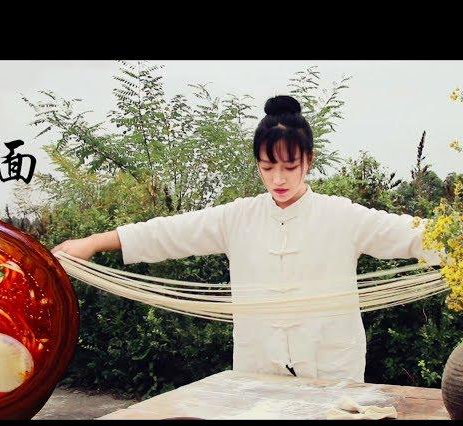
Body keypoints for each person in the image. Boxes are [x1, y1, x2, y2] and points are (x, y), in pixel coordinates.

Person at [52, 95, 440, 383]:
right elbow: (169, 232)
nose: (279, 179)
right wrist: (93, 243)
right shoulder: (238, 217)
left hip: (332, 369)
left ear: (309, 160)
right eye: (268, 167)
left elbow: (409, 235)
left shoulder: (343, 216)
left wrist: (453, 241)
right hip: (259, 368)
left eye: (290, 166)